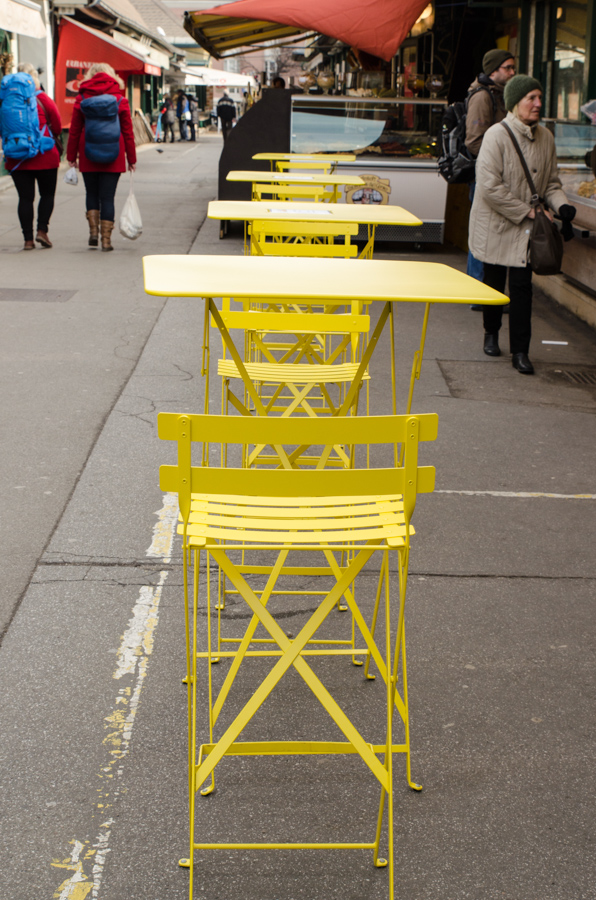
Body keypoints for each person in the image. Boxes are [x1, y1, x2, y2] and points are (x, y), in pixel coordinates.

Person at [469, 75, 575, 374]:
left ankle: (520, 351)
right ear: (516, 103)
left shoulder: (546, 138)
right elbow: (489, 186)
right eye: (531, 98)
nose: (538, 103)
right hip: (496, 224)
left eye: (540, 97)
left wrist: (562, 205)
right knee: (493, 284)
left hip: (527, 230)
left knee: (522, 288)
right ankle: (491, 332)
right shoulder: (496, 135)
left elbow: (551, 183)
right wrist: (527, 212)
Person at [66, 63, 136, 251]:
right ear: (112, 76)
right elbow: (128, 132)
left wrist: (71, 156)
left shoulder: (81, 98)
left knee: (91, 193)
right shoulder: (120, 99)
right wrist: (131, 158)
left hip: (88, 150)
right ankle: (106, 241)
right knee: (108, 197)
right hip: (114, 151)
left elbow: (74, 130)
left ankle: (93, 233)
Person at [465, 49, 516, 293]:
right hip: (485, 176)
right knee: (482, 232)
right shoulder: (483, 97)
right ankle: (477, 290)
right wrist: (497, 164)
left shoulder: (498, 94)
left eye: (513, 67)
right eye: (508, 67)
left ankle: (481, 290)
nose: (512, 72)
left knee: (489, 232)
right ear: (493, 70)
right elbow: (474, 141)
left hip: (496, 175)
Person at [1, 63, 62, 250]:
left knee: (25, 199)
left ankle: (28, 240)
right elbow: (57, 126)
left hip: (17, 157)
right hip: (45, 156)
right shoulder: (43, 99)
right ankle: (42, 230)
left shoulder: (6, 101)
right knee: (47, 195)